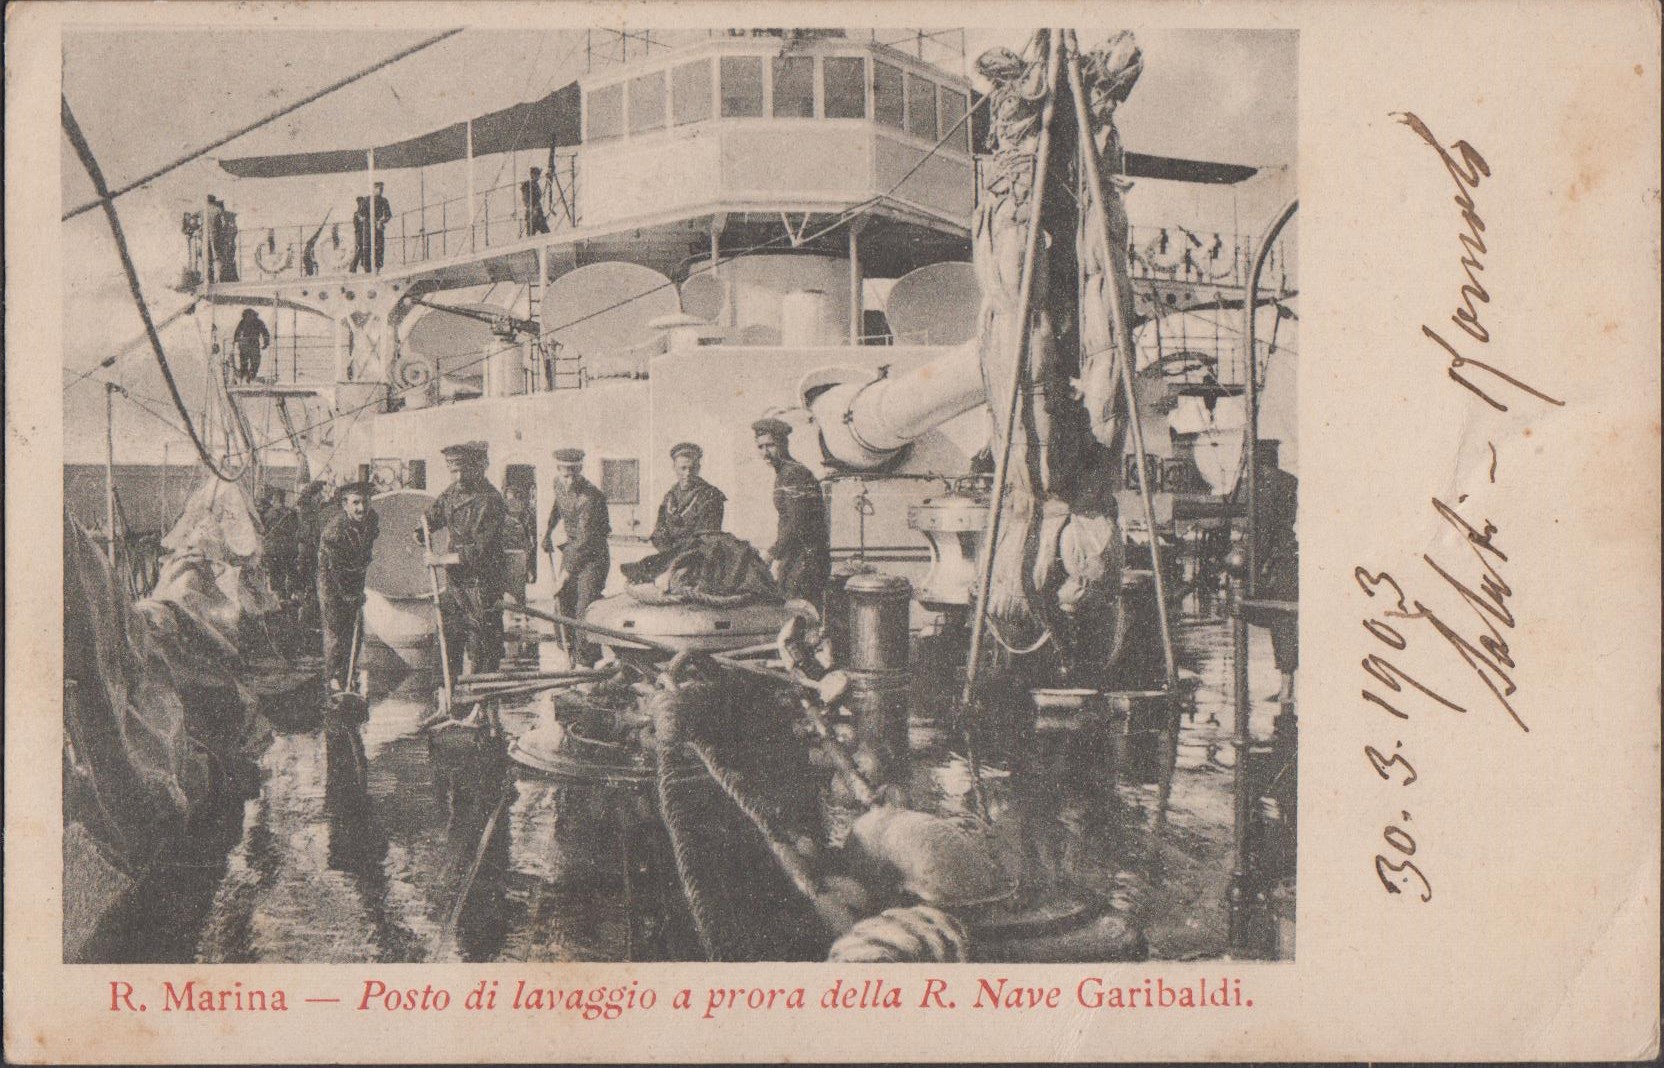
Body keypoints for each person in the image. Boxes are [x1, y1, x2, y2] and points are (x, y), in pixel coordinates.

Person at [421, 442, 510, 696]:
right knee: (448, 636)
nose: (458, 477)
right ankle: (446, 696)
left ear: (476, 468)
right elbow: (434, 515)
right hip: (456, 582)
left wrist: (441, 559)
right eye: (453, 471)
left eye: (463, 471)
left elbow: (480, 551)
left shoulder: (490, 500)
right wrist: (422, 530)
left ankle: (483, 702)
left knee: (481, 642)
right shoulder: (452, 493)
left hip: (482, 583)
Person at [1238, 441, 1298, 704]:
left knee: (1282, 621)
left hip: (1279, 562)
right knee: (1284, 621)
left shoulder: (1266, 485)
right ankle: (1287, 686)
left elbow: (1263, 529)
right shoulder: (1288, 482)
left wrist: (1252, 561)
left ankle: (1286, 690)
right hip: (1288, 556)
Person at [541, 448, 611, 667]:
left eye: (574, 474)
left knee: (584, 608)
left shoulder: (591, 497)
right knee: (562, 603)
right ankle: (569, 654)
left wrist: (564, 575)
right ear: (558, 470)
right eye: (565, 475)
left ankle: (586, 663)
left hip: (593, 556)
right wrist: (548, 532)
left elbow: (585, 540)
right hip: (572, 549)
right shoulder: (558, 484)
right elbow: (557, 507)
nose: (569, 480)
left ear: (580, 469)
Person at [753, 417, 830, 610]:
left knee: (799, 614)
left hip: (806, 560)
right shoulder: (784, 473)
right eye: (760, 447)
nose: (765, 452)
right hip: (795, 557)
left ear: (783, 444)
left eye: (770, 445)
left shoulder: (794, 474)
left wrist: (772, 553)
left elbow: (797, 522)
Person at [317, 482, 380, 690]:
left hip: (354, 579)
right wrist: (350, 595)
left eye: (365, 502)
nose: (361, 508)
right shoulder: (334, 532)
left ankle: (349, 674)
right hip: (332, 584)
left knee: (355, 629)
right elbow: (337, 570)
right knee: (336, 630)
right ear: (345, 505)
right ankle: (333, 680)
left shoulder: (371, 519)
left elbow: (368, 544)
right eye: (355, 503)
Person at [651, 443, 726, 551]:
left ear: (698, 468)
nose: (687, 473)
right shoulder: (669, 497)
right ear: (674, 468)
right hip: (670, 554)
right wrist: (667, 551)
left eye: (692, 468)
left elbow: (707, 539)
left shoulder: (710, 496)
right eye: (683, 468)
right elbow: (658, 532)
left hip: (697, 556)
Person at [503, 484, 539, 600]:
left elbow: (527, 530)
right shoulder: (507, 514)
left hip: (518, 549)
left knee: (517, 579)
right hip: (512, 548)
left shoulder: (524, 514)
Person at [232, 308, 271, 383]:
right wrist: (266, 343)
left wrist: (236, 340)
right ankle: (250, 375)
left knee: (245, 361)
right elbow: (265, 332)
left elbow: (237, 332)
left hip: (246, 344)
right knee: (254, 361)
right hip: (253, 344)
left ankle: (246, 376)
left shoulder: (243, 321)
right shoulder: (258, 322)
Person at [520, 167, 549, 236]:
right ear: (532, 175)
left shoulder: (535, 184)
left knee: (544, 232)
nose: (538, 176)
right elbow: (526, 199)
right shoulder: (528, 185)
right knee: (532, 234)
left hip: (537, 212)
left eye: (538, 174)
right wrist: (532, 208)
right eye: (536, 174)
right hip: (533, 212)